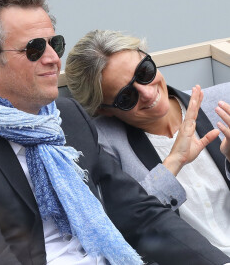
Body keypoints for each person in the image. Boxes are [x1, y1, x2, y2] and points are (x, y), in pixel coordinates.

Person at [0, 0, 229, 265]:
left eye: (54, 44)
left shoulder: (67, 118)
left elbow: (140, 214)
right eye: (34, 49)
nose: (52, 58)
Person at [65, 29, 230, 257]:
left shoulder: (223, 101)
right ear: (104, 110)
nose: (147, 92)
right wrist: (173, 162)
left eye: (144, 72)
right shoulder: (103, 144)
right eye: (126, 97)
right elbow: (124, 226)